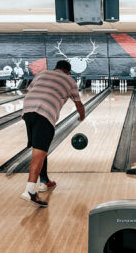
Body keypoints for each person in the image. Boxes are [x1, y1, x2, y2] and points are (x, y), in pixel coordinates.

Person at [21, 60, 85, 207]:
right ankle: (30, 190)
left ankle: (45, 180)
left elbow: (30, 90)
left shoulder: (42, 73)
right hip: (45, 113)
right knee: (39, 153)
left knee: (40, 149)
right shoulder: (69, 80)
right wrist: (81, 117)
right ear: (68, 71)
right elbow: (78, 104)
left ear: (55, 68)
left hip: (27, 110)